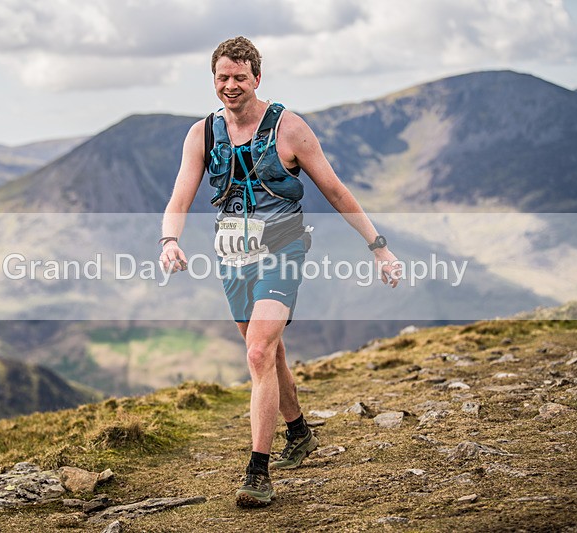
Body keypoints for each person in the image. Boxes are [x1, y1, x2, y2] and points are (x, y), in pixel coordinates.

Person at [160, 36, 400, 508]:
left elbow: (335, 190)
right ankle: (299, 432)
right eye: (223, 78)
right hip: (232, 256)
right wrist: (169, 240)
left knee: (256, 354)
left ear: (257, 78)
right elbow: (180, 197)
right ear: (214, 80)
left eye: (240, 78)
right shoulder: (202, 135)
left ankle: (257, 471)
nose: (231, 86)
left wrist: (379, 247)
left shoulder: (289, 129)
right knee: (271, 355)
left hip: (282, 250)